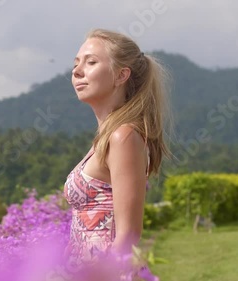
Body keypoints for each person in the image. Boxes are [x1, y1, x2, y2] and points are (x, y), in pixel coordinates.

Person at [63, 28, 171, 274]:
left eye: (91, 62)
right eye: (76, 63)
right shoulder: (105, 138)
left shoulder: (123, 137)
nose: (77, 71)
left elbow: (128, 236)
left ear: (121, 75)